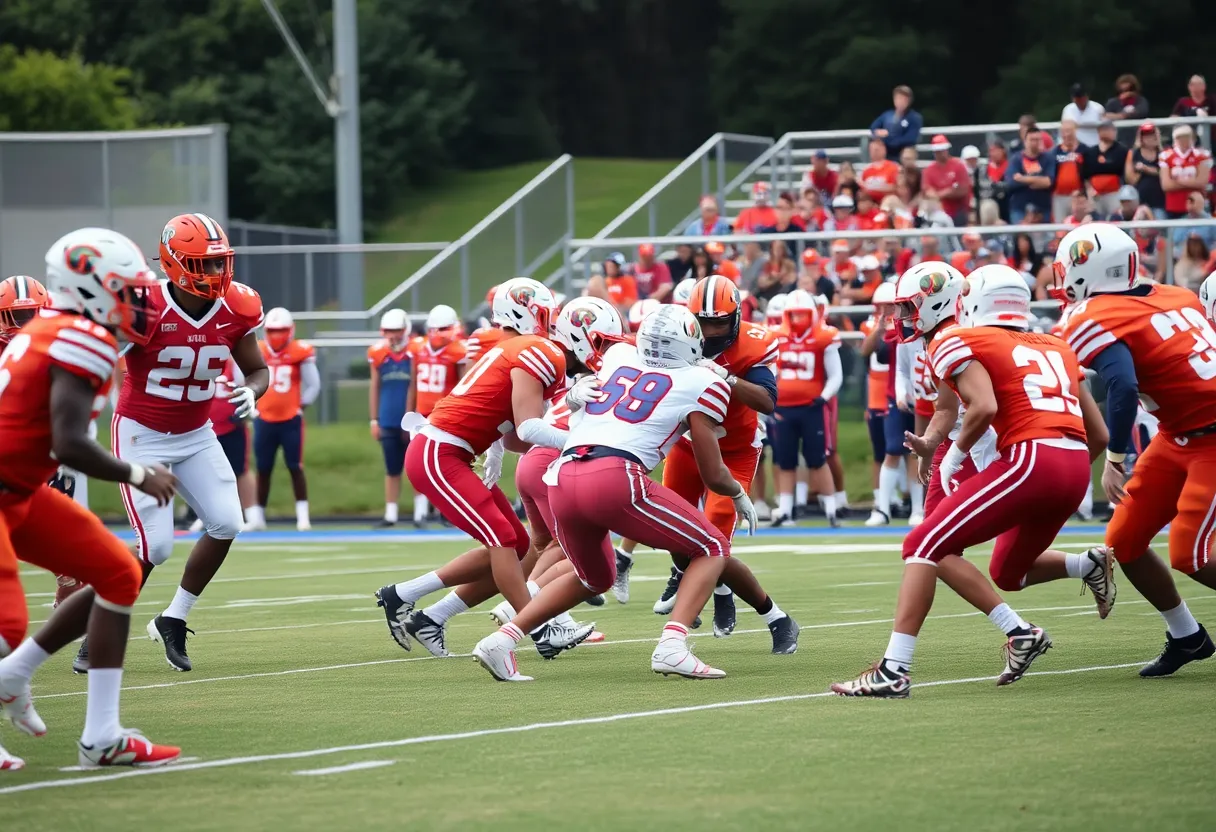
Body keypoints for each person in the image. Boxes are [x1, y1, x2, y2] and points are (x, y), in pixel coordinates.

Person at [833, 264, 1110, 698]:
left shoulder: (960, 338)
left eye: (909, 307)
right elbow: (1100, 435)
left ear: (963, 299)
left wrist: (958, 456)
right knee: (1005, 569)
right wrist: (935, 444)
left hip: (1016, 456)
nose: (902, 316)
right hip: (1073, 464)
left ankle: (894, 669)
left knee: (922, 544)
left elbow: (981, 408)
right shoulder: (1055, 344)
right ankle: (1057, 593)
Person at [473, 306, 756, 681]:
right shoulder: (701, 380)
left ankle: (502, 641)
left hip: (562, 474)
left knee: (595, 577)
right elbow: (712, 471)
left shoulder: (619, 356)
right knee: (712, 547)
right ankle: (672, 646)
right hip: (615, 475)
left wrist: (574, 396)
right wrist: (737, 493)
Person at [0, 228, 182, 769]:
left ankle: (100, 733)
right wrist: (137, 472)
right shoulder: (82, 337)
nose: (142, 300)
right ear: (92, 290)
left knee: (119, 572)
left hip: (19, 489)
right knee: (6, 623)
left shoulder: (58, 328)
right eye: (129, 290)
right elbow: (69, 442)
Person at [374, 279, 591, 659]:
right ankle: (538, 628)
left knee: (518, 545)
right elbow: (528, 427)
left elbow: (508, 432)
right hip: (439, 451)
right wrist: (579, 441)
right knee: (503, 542)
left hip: (449, 451)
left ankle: (409, 601)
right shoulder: (536, 348)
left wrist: (495, 448)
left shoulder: (514, 347)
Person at [104, 213, 268, 674]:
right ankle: (102, 628)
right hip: (141, 433)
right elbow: (94, 361)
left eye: (220, 264)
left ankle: (173, 617)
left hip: (196, 434)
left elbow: (258, 369)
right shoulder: (142, 307)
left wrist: (252, 392)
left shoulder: (239, 307)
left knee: (226, 522)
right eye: (203, 264)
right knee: (155, 546)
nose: (216, 275)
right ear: (174, 263)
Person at [1056, 223, 1216, 676]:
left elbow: (1123, 385)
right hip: (1177, 434)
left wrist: (1116, 457)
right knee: (1123, 541)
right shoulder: (1174, 295)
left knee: (1193, 555)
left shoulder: (1095, 314)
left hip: (1211, 438)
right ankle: (1187, 637)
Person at [617, 276, 798, 651]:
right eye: (705, 323)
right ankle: (693, 578)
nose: (712, 332)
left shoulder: (753, 344)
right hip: (686, 444)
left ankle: (745, 606)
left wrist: (727, 377)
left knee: (715, 537)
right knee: (676, 527)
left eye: (720, 322)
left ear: (736, 317)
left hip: (734, 449)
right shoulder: (676, 336)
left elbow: (767, 401)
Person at [439, 297, 625, 657]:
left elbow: (510, 416)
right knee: (576, 552)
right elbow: (520, 418)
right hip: (551, 461)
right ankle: (526, 609)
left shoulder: (544, 354)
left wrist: (495, 447)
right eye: (603, 341)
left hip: (533, 462)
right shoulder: (545, 355)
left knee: (543, 547)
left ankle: (439, 612)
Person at [771, 289, 842, 527]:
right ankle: (784, 510)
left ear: (812, 314)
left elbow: (836, 375)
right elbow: (771, 372)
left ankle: (832, 510)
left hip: (811, 407)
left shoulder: (824, 336)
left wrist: (823, 397)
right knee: (785, 460)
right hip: (783, 408)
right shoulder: (777, 336)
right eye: (793, 315)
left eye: (802, 315)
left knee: (817, 459)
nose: (797, 320)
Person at [249, 308, 319, 531]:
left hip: (290, 419)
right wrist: (252, 407)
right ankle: (258, 516)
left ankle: (303, 516)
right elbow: (245, 379)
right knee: (263, 468)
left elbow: (314, 385)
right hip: (264, 418)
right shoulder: (257, 350)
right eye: (272, 330)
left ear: (290, 331)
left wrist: (300, 407)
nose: (276, 335)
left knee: (295, 467)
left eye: (281, 330)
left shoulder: (300, 351)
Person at [407, 305, 468, 524]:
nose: (437, 334)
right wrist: (409, 411)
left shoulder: (459, 350)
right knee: (416, 464)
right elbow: (413, 383)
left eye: (443, 329)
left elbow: (463, 386)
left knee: (445, 464)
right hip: (421, 414)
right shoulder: (417, 348)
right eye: (434, 329)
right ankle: (420, 512)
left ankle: (446, 511)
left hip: (445, 416)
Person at [367, 309, 414, 527]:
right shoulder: (378, 354)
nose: (393, 335)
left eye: (397, 330)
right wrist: (374, 419)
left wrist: (411, 415)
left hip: (411, 419)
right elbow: (374, 387)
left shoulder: (416, 351)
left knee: (415, 468)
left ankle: (420, 512)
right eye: (389, 331)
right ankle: (391, 514)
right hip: (387, 418)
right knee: (391, 468)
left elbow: (415, 386)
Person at [860, 283, 896, 520]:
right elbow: (865, 351)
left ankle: (898, 499)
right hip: (876, 395)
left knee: (903, 451)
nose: (886, 309)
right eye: (882, 305)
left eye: (890, 304)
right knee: (879, 453)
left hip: (897, 393)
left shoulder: (908, 324)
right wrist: (880, 329)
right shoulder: (870, 325)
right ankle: (879, 498)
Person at [1160, 124, 1212, 219]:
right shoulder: (1166, 156)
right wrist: (1192, 182)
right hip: (1174, 206)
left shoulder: (1202, 155)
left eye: (1186, 137)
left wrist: (1177, 181)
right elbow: (1166, 185)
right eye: (1180, 137)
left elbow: (1202, 182)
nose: (1183, 140)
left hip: (1197, 205)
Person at [920, 135, 972, 226]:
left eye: (942, 149)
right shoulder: (928, 170)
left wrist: (940, 194)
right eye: (938, 151)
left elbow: (962, 189)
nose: (940, 153)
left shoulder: (958, 166)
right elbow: (927, 190)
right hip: (938, 209)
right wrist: (948, 191)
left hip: (957, 210)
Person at [1006, 130, 1056, 225]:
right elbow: (1011, 182)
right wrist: (1038, 180)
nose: (1035, 143)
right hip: (1020, 209)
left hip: (1043, 210)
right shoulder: (1016, 159)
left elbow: (1048, 182)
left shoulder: (1048, 158)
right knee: (1021, 238)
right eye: (1032, 140)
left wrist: (1023, 179)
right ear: (1025, 141)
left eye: (1038, 140)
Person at [1080, 120, 1128, 219]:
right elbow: (1085, 175)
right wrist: (1089, 190)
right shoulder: (1091, 152)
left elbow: (1124, 173)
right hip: (1095, 194)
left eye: (1112, 130)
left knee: (1115, 219)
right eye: (1106, 129)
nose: (1110, 133)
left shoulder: (1122, 151)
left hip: (1114, 193)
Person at [1125, 122, 1166, 219]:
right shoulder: (1133, 154)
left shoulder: (1163, 153)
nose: (1150, 138)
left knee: (1160, 229)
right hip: (1139, 202)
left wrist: (1146, 169)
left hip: (1159, 202)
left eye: (1152, 134)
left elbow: (1165, 174)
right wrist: (1140, 172)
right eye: (1146, 135)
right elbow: (1130, 179)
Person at [870, 84, 922, 158]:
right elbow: (874, 126)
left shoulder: (914, 117)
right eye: (898, 98)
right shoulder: (887, 115)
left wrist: (888, 138)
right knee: (874, 145)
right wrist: (878, 132)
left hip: (902, 153)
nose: (900, 101)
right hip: (886, 152)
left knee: (907, 153)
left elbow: (911, 139)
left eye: (904, 99)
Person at [1051, 120, 1086, 223]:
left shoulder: (1084, 150)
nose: (1067, 134)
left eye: (1070, 130)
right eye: (1065, 131)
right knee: (1060, 225)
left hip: (1078, 197)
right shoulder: (1054, 152)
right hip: (1059, 197)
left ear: (1076, 131)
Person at [860, 138, 900, 204]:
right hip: (871, 204)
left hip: (889, 202)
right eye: (871, 150)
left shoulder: (894, 167)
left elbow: (894, 187)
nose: (874, 152)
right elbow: (863, 190)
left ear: (884, 150)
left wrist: (871, 188)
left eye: (876, 150)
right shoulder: (866, 170)